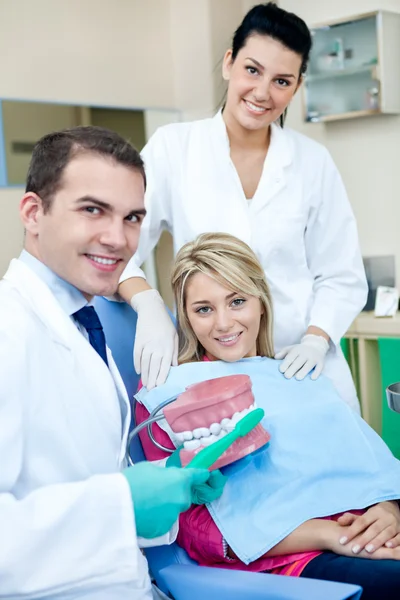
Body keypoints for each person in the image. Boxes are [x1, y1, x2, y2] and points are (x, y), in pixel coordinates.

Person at [0, 127, 225, 600]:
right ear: (33, 212)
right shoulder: (9, 330)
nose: (118, 238)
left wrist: (167, 491)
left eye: (133, 218)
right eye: (92, 210)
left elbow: (73, 473)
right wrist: (123, 503)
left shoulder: (82, 320)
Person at [119, 2, 368, 412]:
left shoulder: (312, 161)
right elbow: (119, 246)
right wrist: (147, 302)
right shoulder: (174, 148)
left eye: (282, 81)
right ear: (229, 63)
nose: (262, 93)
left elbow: (341, 274)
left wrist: (315, 339)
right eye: (252, 70)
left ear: (297, 87)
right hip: (213, 370)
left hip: (303, 368)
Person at [135, 233, 400, 600]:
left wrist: (389, 509)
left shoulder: (296, 374)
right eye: (203, 309)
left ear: (261, 302)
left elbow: (369, 468)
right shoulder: (173, 397)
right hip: (292, 558)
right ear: (187, 319)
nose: (224, 323)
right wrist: (330, 535)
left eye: (237, 301)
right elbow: (196, 532)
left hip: (373, 531)